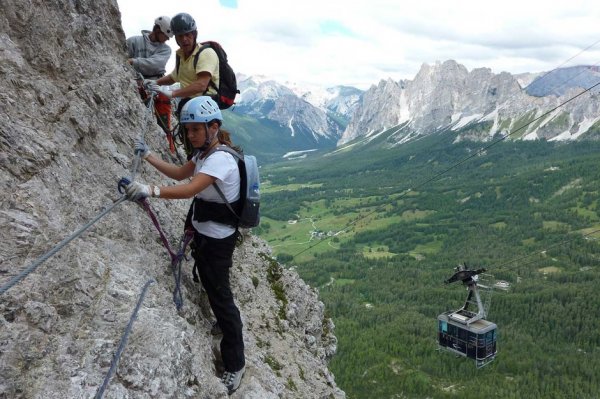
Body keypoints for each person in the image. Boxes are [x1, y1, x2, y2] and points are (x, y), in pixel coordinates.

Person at [122, 96, 245, 394]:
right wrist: (149, 155)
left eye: (195, 130)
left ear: (213, 127)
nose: (189, 135)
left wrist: (149, 190)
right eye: (187, 130)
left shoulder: (220, 159)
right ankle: (223, 321)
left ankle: (235, 362)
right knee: (211, 283)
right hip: (207, 234)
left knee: (221, 294)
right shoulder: (205, 154)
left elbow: (189, 188)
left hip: (217, 241)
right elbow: (180, 173)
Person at [148, 12, 220, 157]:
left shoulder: (206, 54)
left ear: (195, 34)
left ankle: (203, 173)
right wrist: (155, 82)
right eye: (180, 36)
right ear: (176, 38)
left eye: (188, 35)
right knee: (190, 143)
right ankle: (193, 169)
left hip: (204, 106)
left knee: (202, 144)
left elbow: (201, 85)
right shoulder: (181, 55)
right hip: (189, 105)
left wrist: (173, 93)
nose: (185, 39)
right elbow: (175, 76)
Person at [126, 16, 175, 151]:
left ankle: (168, 148)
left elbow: (154, 65)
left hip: (156, 84)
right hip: (136, 82)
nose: (167, 39)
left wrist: (134, 62)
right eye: (166, 35)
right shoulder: (133, 41)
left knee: (165, 122)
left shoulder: (166, 50)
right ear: (158, 29)